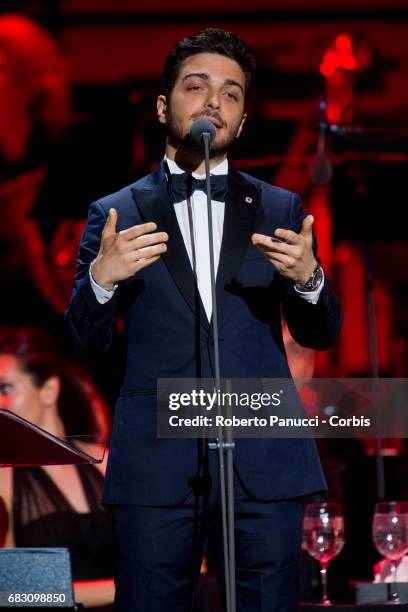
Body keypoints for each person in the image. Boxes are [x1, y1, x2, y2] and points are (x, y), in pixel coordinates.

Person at [66, 28, 342, 611]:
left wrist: (308, 279)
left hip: (264, 458)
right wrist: (102, 279)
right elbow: (82, 340)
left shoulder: (280, 207)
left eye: (232, 93)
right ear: (165, 106)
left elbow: (320, 332)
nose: (214, 100)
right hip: (157, 461)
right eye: (197, 86)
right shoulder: (114, 213)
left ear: (242, 123)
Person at [0, 326, 115, 609]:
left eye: (5, 388)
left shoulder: (107, 463)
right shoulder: (4, 477)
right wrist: (125, 588)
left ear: (49, 390)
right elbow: (15, 592)